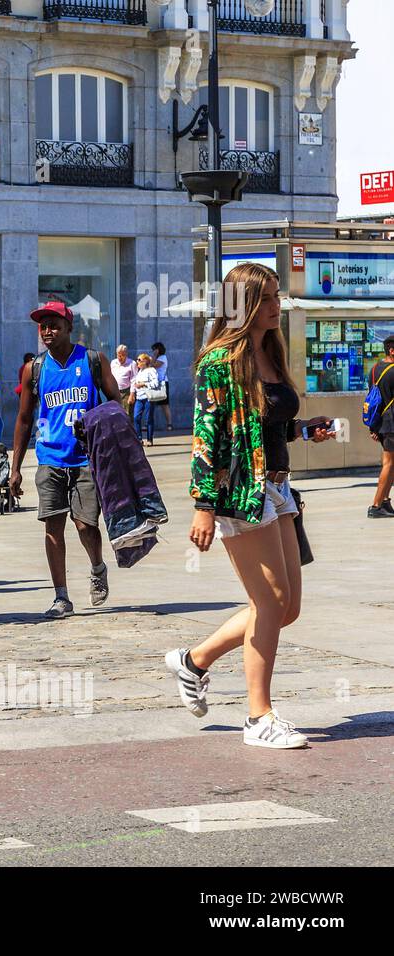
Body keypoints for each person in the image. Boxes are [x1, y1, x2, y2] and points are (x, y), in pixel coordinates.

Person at [169, 262, 335, 749]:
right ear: (241, 305)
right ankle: (258, 718)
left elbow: (271, 428)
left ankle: (194, 661)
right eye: (265, 299)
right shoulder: (219, 361)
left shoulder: (271, 352)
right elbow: (206, 436)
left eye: (276, 295)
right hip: (240, 492)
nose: (275, 305)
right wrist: (203, 505)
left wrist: (306, 429)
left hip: (277, 491)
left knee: (288, 608)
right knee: (269, 603)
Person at [9, 300, 122, 619]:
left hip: (86, 459)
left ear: (70, 328)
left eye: (54, 325)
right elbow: (23, 418)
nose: (47, 330)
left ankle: (97, 567)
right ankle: (61, 597)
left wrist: (96, 424)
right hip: (49, 458)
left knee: (86, 525)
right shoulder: (35, 368)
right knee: (52, 527)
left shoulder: (92, 360)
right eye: (43, 325)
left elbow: (117, 403)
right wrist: (15, 467)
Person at [366, 335, 394, 519]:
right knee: (389, 463)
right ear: (392, 350)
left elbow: (372, 399)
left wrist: (373, 428)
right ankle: (376, 505)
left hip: (381, 423)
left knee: (391, 464)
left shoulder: (375, 369)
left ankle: (385, 501)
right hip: (392, 423)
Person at [130, 353, 159, 446]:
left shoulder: (151, 370)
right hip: (139, 397)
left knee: (148, 419)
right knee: (136, 417)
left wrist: (144, 384)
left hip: (148, 397)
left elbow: (155, 383)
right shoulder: (139, 371)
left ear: (145, 361)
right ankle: (139, 438)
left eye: (139, 360)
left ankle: (149, 439)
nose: (137, 362)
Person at [151, 342, 173, 431]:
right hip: (155, 382)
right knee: (151, 403)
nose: (153, 351)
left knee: (164, 405)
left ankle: (169, 424)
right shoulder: (158, 358)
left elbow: (153, 365)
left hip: (162, 383)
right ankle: (149, 423)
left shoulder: (162, 358)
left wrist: (154, 356)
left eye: (154, 350)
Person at [110, 344, 135, 413]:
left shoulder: (132, 363)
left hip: (126, 392)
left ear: (126, 354)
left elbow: (133, 380)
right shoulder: (113, 363)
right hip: (114, 391)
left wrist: (131, 395)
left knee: (127, 414)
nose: (120, 358)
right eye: (118, 355)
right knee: (114, 413)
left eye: (122, 355)